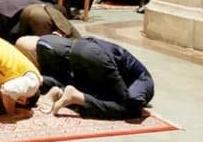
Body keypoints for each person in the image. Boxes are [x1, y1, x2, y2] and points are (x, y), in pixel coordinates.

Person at [18, 35, 155, 120]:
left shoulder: (132, 69)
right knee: (128, 108)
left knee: (84, 87)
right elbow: (134, 100)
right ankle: (76, 97)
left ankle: (52, 87)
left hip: (81, 46)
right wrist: (136, 106)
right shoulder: (144, 80)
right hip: (96, 56)